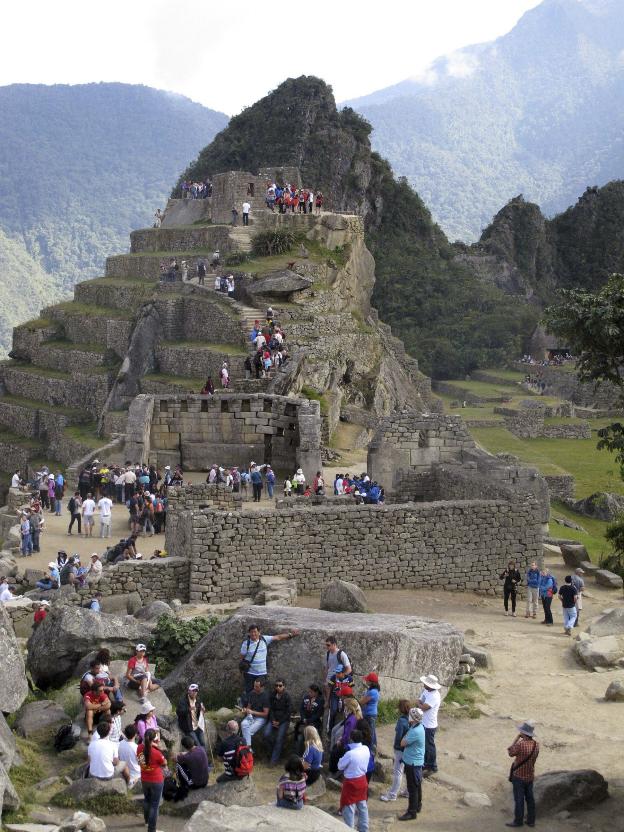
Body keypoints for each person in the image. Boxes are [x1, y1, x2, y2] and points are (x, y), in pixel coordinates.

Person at [239, 623, 299, 692]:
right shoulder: (246, 643)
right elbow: (242, 657)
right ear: (249, 633)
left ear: (259, 632)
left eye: (255, 632)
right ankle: (248, 702)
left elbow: (278, 637)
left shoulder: (264, 639)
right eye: (251, 632)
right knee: (249, 691)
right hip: (250, 673)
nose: (253, 634)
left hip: (261, 673)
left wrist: (291, 634)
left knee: (260, 692)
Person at [506, 721, 539, 828]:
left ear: (524, 733)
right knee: (530, 799)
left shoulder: (520, 744)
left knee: (519, 799)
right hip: (530, 775)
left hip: (519, 776)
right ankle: (531, 821)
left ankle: (518, 821)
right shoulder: (536, 745)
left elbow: (510, 752)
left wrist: (516, 739)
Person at [338, 728, 370, 832]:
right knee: (362, 806)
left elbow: (340, 766)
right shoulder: (366, 748)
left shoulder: (350, 754)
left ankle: (349, 829)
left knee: (349, 808)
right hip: (362, 780)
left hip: (351, 783)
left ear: (351, 739)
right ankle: (364, 829)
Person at [380, 699, 411, 802]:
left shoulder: (402, 721)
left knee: (398, 772)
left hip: (400, 749)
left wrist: (396, 746)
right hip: (409, 749)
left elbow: (398, 736)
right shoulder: (411, 719)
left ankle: (392, 795)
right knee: (408, 771)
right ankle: (408, 791)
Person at [137, 729, 167, 832]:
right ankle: (152, 829)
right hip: (156, 780)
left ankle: (146, 821)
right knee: (155, 805)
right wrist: (157, 747)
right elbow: (164, 763)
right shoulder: (156, 752)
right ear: (154, 739)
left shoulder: (139, 748)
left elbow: (140, 761)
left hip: (144, 778)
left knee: (147, 800)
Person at [398, 707, 425, 821]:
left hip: (412, 763)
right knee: (417, 785)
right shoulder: (419, 727)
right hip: (416, 762)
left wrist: (405, 735)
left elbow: (402, 743)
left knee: (412, 788)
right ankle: (417, 806)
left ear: (413, 718)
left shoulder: (414, 731)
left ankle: (411, 812)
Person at [325, 635, 353, 730]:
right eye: (326, 645)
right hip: (332, 684)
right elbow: (328, 668)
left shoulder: (341, 654)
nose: (327, 647)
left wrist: (341, 678)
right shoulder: (328, 653)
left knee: (343, 711)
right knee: (332, 710)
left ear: (334, 644)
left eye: (328, 645)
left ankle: (344, 729)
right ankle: (330, 730)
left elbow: (349, 669)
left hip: (342, 688)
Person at [263, 678, 293, 766]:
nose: (278, 687)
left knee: (279, 738)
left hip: (283, 721)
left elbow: (288, 712)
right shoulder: (272, 695)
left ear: (284, 686)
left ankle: (273, 760)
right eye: (276, 685)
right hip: (273, 719)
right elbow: (270, 709)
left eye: (280, 685)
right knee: (266, 734)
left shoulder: (287, 697)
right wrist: (273, 720)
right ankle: (271, 753)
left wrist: (279, 722)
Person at [418, 674, 441, 776]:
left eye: (426, 683)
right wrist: (420, 704)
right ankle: (426, 764)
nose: (424, 684)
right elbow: (420, 701)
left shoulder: (435, 696)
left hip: (429, 725)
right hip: (424, 722)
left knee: (429, 746)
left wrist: (420, 704)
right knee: (424, 745)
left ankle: (432, 766)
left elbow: (424, 706)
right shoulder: (426, 691)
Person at [240, 677, 270, 748]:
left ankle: (247, 749)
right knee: (243, 724)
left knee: (248, 731)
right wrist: (245, 710)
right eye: (254, 686)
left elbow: (266, 714)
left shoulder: (266, 697)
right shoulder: (252, 693)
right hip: (251, 716)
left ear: (262, 687)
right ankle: (248, 749)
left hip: (261, 718)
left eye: (257, 687)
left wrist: (252, 712)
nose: (254, 688)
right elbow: (249, 707)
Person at [295, 683, 324, 752]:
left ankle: (309, 757)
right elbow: (301, 709)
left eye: (311, 692)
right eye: (309, 691)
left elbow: (318, 714)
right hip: (304, 722)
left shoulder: (320, 700)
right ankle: (297, 756)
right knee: (299, 738)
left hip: (314, 723)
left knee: (310, 740)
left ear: (316, 692)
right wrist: (303, 718)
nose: (309, 693)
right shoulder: (306, 697)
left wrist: (309, 720)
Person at [176, 683, 206, 748]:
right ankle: (199, 757)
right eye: (193, 691)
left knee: (203, 743)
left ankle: (203, 757)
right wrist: (189, 709)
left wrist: (203, 710)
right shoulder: (183, 701)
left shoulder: (198, 700)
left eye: (196, 691)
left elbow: (200, 713)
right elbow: (179, 712)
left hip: (198, 725)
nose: (195, 693)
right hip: (188, 727)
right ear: (189, 691)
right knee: (197, 744)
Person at [360, 673, 380, 751]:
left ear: (371, 682)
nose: (366, 681)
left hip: (369, 715)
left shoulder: (373, 692)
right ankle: (373, 747)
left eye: (367, 680)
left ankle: (370, 750)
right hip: (370, 714)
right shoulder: (372, 690)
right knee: (372, 731)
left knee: (370, 733)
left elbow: (362, 702)